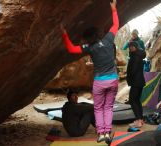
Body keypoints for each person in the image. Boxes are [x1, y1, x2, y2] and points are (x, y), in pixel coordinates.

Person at [60, 0, 119, 143]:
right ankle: (107, 131)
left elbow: (71, 49)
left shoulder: (89, 47)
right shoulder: (108, 40)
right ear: (98, 34)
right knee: (108, 107)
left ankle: (101, 134)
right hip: (113, 80)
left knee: (98, 108)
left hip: (99, 82)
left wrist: (64, 34)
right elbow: (116, 24)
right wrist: (113, 9)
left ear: (88, 38)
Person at [126, 41, 146, 128]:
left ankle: (138, 120)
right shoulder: (138, 55)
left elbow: (133, 71)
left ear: (136, 47)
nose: (130, 48)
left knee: (132, 100)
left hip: (136, 82)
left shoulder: (135, 56)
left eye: (132, 46)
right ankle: (140, 120)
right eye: (130, 46)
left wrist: (128, 77)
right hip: (139, 82)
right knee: (137, 100)